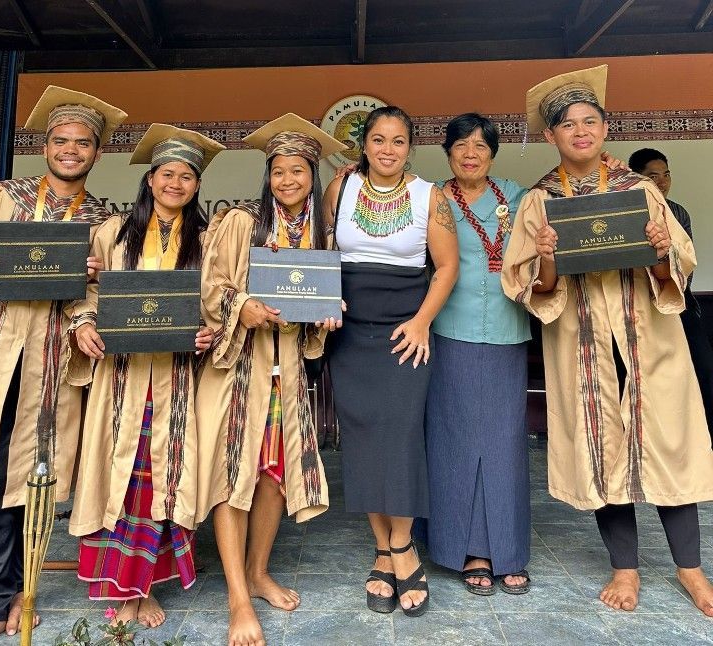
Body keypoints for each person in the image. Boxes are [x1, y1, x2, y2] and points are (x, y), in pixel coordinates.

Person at [501, 64, 713, 616]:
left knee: (668, 446)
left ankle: (691, 571)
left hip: (650, 344)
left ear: (604, 127)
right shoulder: (540, 201)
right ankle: (625, 569)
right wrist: (546, 257)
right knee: (603, 454)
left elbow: (676, 275)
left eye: (589, 120)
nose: (580, 130)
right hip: (584, 347)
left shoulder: (639, 191)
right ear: (551, 136)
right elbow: (531, 288)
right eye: (567, 124)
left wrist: (663, 249)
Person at [0, 86, 127, 645]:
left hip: (55, 357)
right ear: (45, 146)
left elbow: (111, 290)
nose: (70, 150)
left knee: (38, 472)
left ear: (96, 153)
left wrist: (92, 279)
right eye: (61, 140)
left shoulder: (103, 217)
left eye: (82, 143)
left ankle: (26, 589)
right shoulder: (3, 197)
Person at [195, 113, 345, 646]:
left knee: (274, 474)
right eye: (279, 172)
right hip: (240, 369)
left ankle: (258, 571)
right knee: (232, 474)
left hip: (289, 375)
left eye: (299, 172)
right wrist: (242, 307)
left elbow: (317, 302)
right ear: (268, 175)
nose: (288, 181)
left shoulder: (320, 234)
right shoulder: (240, 222)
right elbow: (210, 286)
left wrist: (326, 316)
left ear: (312, 175)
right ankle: (238, 596)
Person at [67, 124, 223, 627]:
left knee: (163, 478)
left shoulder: (207, 239)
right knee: (123, 475)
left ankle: (144, 586)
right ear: (150, 180)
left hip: (176, 381)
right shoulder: (113, 233)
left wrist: (208, 333)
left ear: (197, 186)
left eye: (186, 176)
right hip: (121, 379)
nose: (175, 183)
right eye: (166, 174)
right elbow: (84, 291)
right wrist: (83, 322)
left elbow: (217, 302)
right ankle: (122, 586)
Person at [324, 106, 459, 617]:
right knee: (362, 439)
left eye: (398, 141)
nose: (387, 149)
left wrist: (422, 321)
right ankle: (382, 549)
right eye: (378, 139)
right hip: (349, 334)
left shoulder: (432, 197)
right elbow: (323, 253)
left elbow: (446, 267)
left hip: (407, 333)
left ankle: (402, 546)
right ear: (364, 144)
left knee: (400, 436)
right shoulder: (341, 189)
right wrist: (322, 301)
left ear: (410, 147)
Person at [417, 113, 532, 596]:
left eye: (481, 146)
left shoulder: (520, 197)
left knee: (504, 443)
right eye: (461, 145)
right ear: (447, 152)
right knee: (454, 441)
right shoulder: (433, 199)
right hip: (449, 330)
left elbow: (536, 260)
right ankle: (464, 549)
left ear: (492, 153)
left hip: (507, 331)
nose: (470, 153)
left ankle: (505, 549)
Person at [628, 147, 713, 445]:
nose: (662, 182)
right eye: (653, 176)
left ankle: (704, 442)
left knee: (703, 368)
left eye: (666, 175)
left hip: (679, 304)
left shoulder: (678, 213)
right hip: (638, 306)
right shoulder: (626, 213)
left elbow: (685, 263)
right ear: (636, 178)